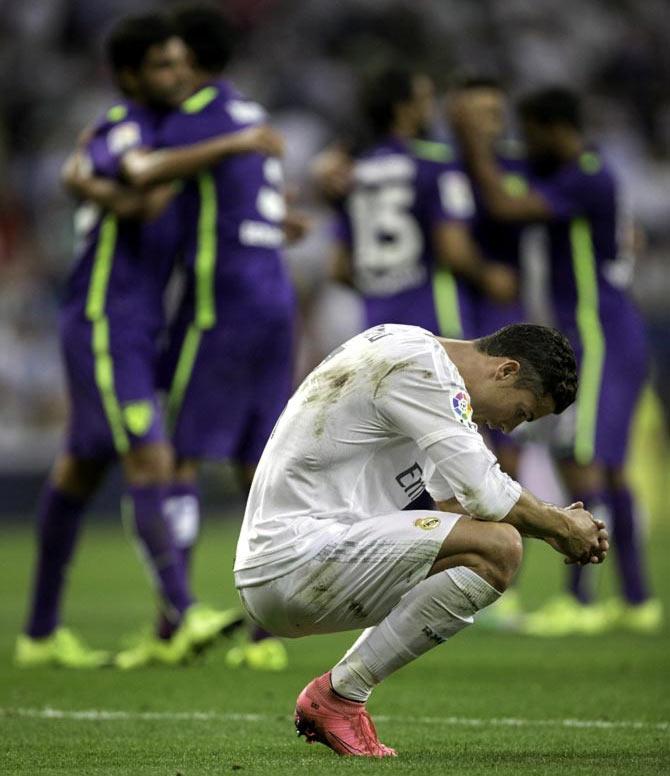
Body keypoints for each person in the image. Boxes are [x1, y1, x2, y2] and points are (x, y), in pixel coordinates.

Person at [15, 13, 279, 671]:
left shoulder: (168, 131)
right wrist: (235, 143)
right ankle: (184, 613)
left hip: (138, 323)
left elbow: (147, 198)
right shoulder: (127, 124)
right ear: (130, 75)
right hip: (106, 318)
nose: (178, 74)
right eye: (162, 65)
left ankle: (40, 632)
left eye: (181, 63)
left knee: (79, 471)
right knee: (152, 456)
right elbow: (136, 183)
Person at [233, 322, 608, 757]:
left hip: (299, 562)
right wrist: (560, 526)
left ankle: (339, 697)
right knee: (500, 546)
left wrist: (552, 523)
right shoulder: (420, 365)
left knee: (490, 550)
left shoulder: (413, 363)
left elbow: (447, 507)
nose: (509, 428)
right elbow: (484, 493)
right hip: (296, 559)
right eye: (521, 412)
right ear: (506, 370)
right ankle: (341, 696)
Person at [118, 4, 299, 670]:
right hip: (275, 298)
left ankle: (176, 619)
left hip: (219, 305)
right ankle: (267, 632)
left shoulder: (197, 119)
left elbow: (143, 170)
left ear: (187, 59)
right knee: (260, 468)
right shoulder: (253, 115)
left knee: (185, 458)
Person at [451, 86, 661, 635]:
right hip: (615, 326)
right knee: (606, 464)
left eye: (530, 129)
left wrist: (474, 141)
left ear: (552, 127)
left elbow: (504, 203)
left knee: (588, 456)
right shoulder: (593, 170)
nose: (525, 141)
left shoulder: (584, 177)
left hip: (599, 327)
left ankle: (581, 598)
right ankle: (637, 598)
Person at [328, 66, 517, 340]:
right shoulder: (437, 163)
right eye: (426, 99)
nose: (432, 108)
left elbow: (338, 268)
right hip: (435, 320)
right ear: (404, 109)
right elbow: (453, 249)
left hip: (377, 327)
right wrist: (488, 276)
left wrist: (387, 284)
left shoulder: (353, 174)